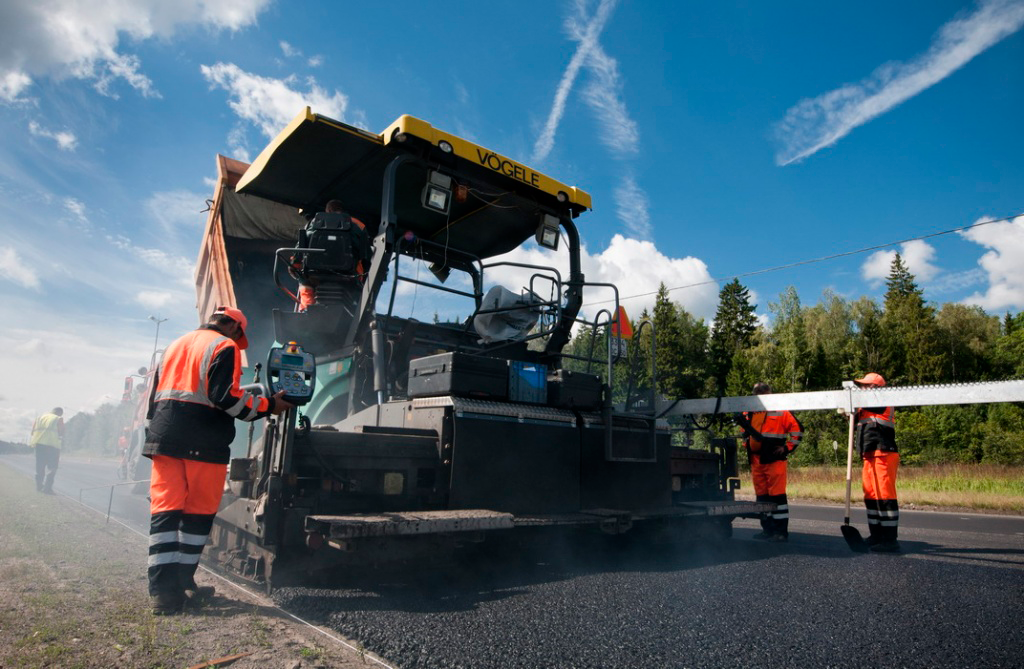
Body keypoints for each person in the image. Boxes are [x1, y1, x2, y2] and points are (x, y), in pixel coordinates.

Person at [143, 306, 293, 615]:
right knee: (197, 516)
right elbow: (226, 398)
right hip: (202, 442)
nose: (239, 342)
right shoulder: (225, 347)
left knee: (165, 514)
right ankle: (183, 582)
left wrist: (156, 437)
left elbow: (153, 399)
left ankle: (162, 592)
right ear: (235, 328)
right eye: (240, 336)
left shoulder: (173, 345)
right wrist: (268, 406)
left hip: (164, 439)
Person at [736, 383, 803, 542]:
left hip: (774, 460)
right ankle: (767, 529)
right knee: (762, 497)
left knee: (777, 497)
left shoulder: (781, 411)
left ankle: (780, 532)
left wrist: (787, 449)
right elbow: (744, 432)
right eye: (756, 392)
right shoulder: (749, 412)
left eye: (761, 392)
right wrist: (747, 444)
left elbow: (797, 430)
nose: (759, 394)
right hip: (757, 460)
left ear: (769, 393)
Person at [850, 372, 900, 553]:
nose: (862, 388)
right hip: (868, 454)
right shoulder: (864, 406)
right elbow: (852, 419)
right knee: (870, 494)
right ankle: (876, 535)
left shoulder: (882, 399)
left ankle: (889, 539)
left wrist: (853, 400)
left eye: (865, 385)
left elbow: (872, 406)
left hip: (884, 452)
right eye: (861, 386)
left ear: (876, 387)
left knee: (884, 495)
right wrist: (848, 411)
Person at [295, 199, 369, 311]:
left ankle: (305, 308)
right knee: (359, 287)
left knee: (303, 279)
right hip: (349, 273)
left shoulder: (313, 223)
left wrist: (295, 265)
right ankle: (357, 311)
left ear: (328, 210)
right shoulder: (359, 226)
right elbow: (366, 255)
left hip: (315, 271)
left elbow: (300, 246)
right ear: (343, 210)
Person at [29, 407, 64, 494]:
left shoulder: (39, 418)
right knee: (52, 468)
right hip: (52, 445)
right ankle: (47, 488)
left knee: (40, 466)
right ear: (59, 413)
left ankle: (39, 486)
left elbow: (32, 432)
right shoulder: (58, 418)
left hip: (39, 445)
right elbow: (61, 432)